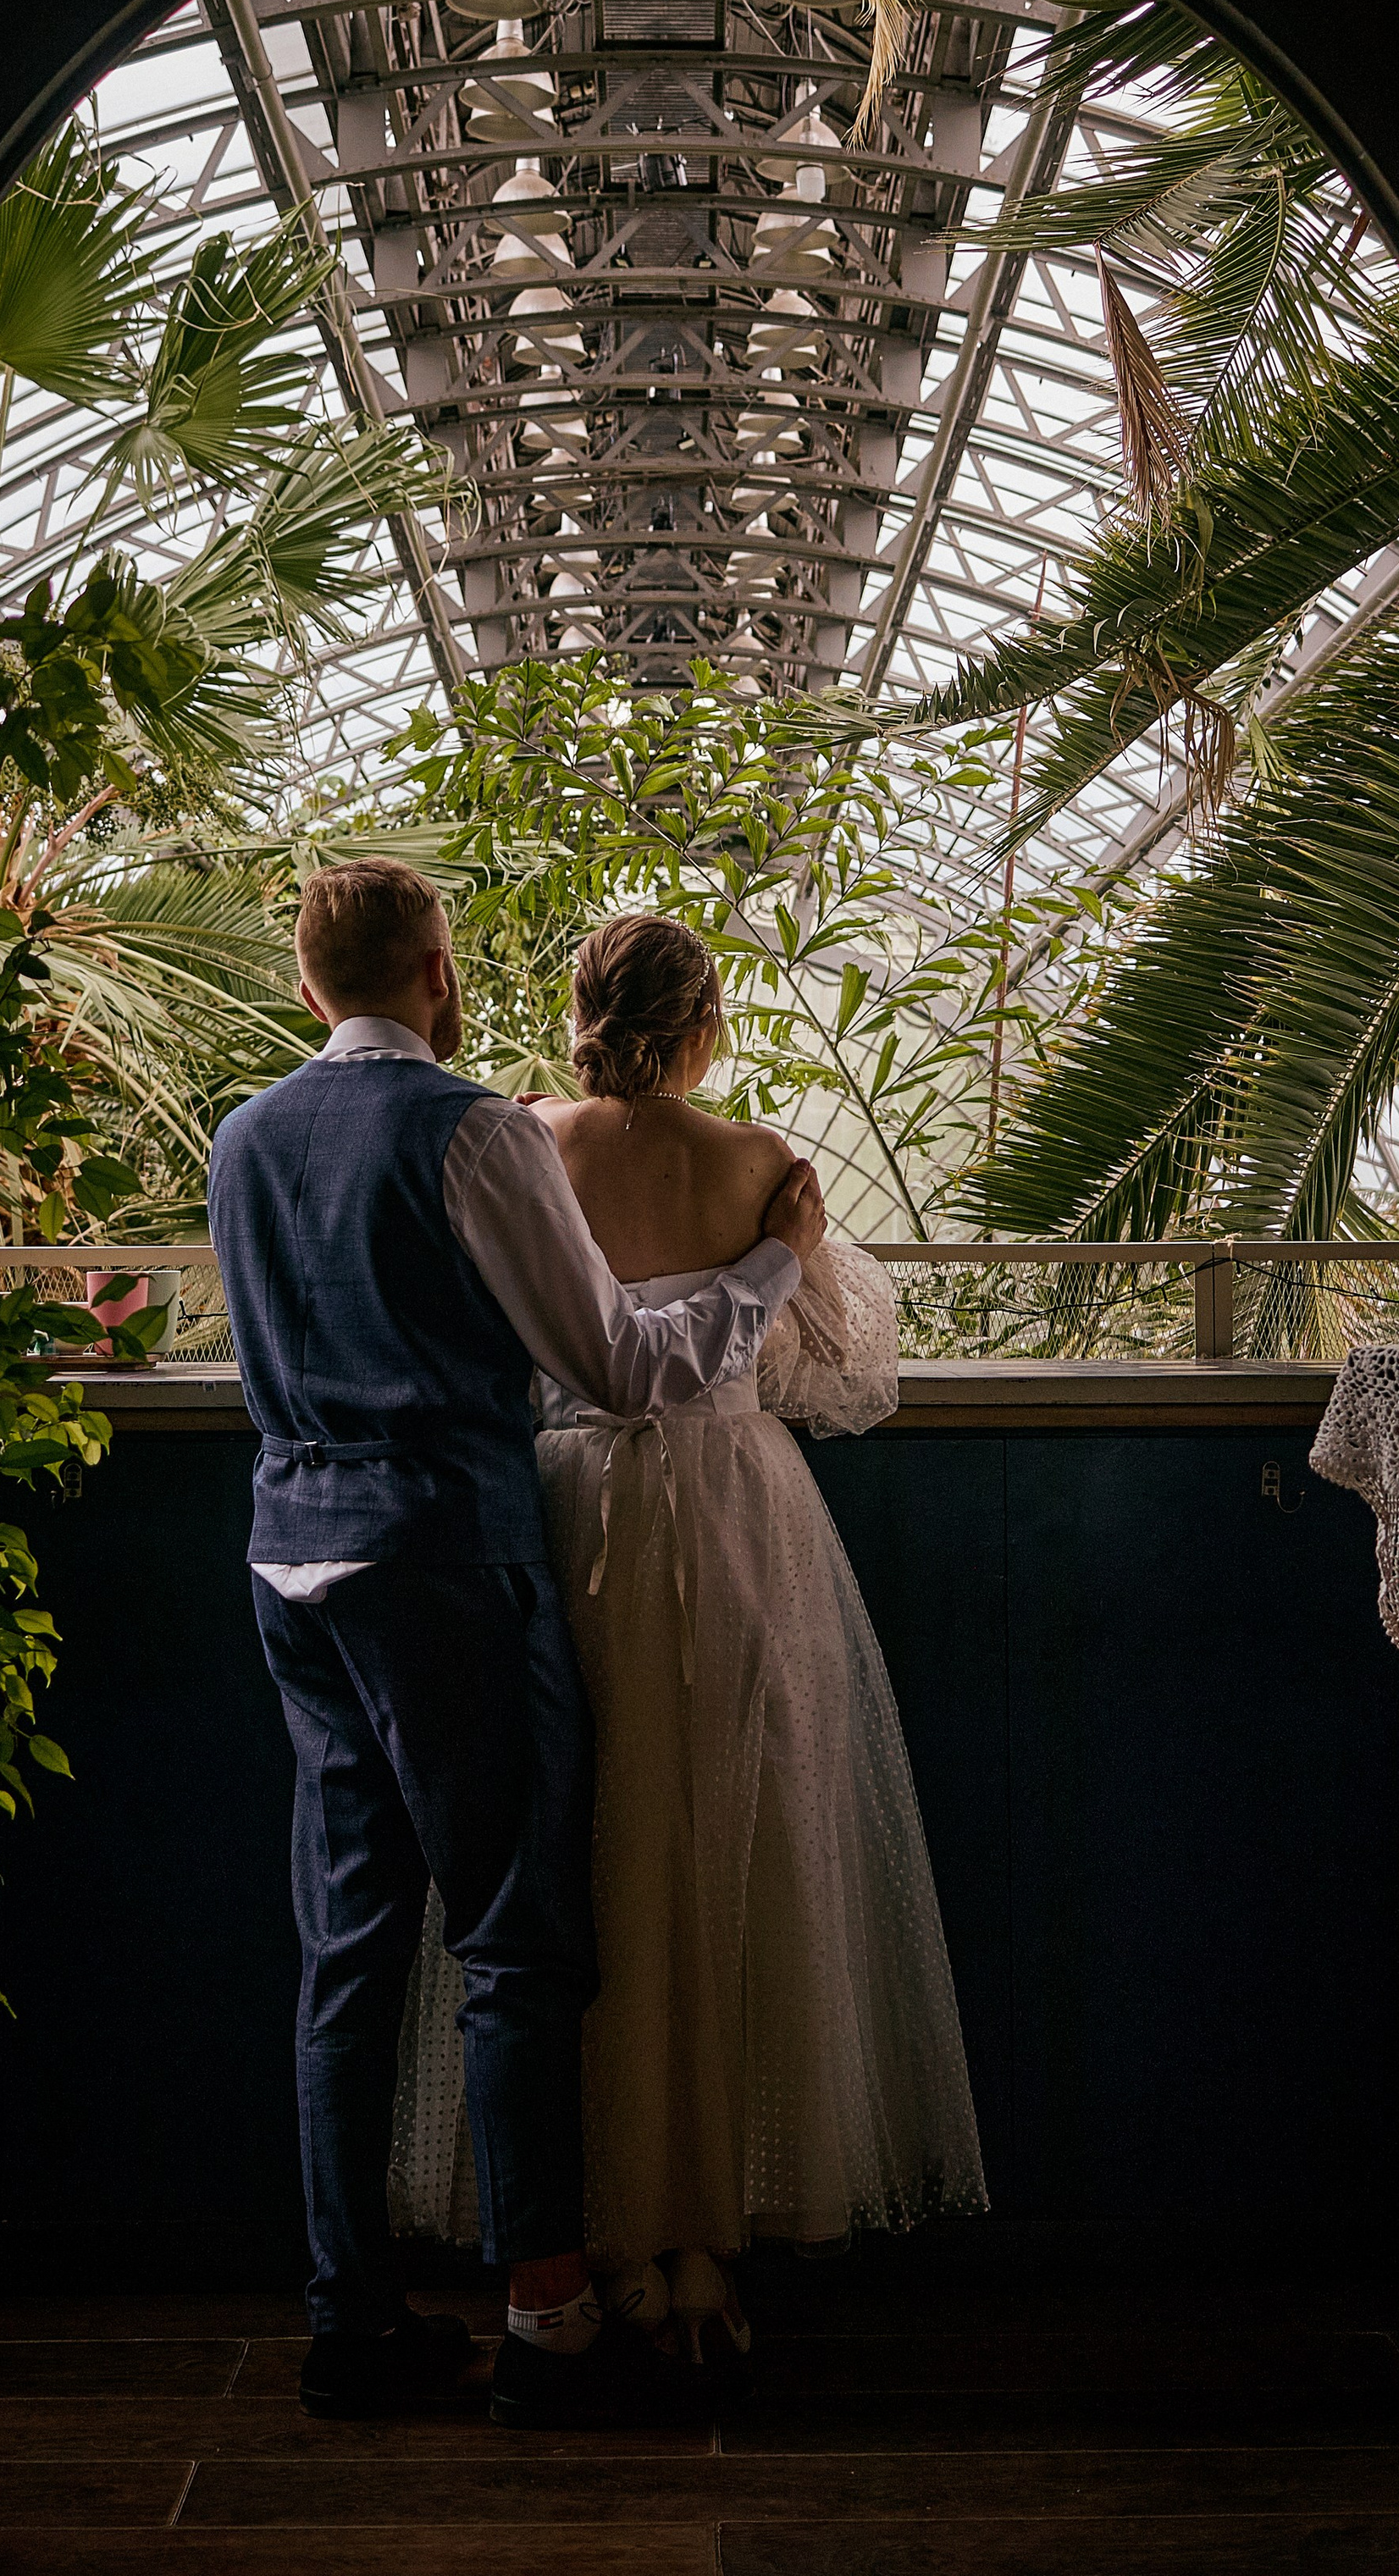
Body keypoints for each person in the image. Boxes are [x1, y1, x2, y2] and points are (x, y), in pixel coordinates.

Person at [207, 860, 826, 2430]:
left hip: (290, 1561)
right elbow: (619, 1369)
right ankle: (546, 2322)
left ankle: (349, 2319)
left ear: (306, 989)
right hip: (443, 1564)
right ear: (439, 971)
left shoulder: (246, 1137)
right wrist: (766, 1269)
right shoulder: (472, 1131)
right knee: (514, 1940)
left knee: (346, 1951)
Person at [390, 913, 986, 2373]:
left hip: (576, 1509)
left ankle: (597, 2231)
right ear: (709, 1022)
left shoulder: (522, 1141)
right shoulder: (764, 1164)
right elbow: (846, 1379)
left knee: (585, 1848)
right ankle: (717, 2235)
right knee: (742, 1848)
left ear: (576, 1010)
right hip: (736, 1515)